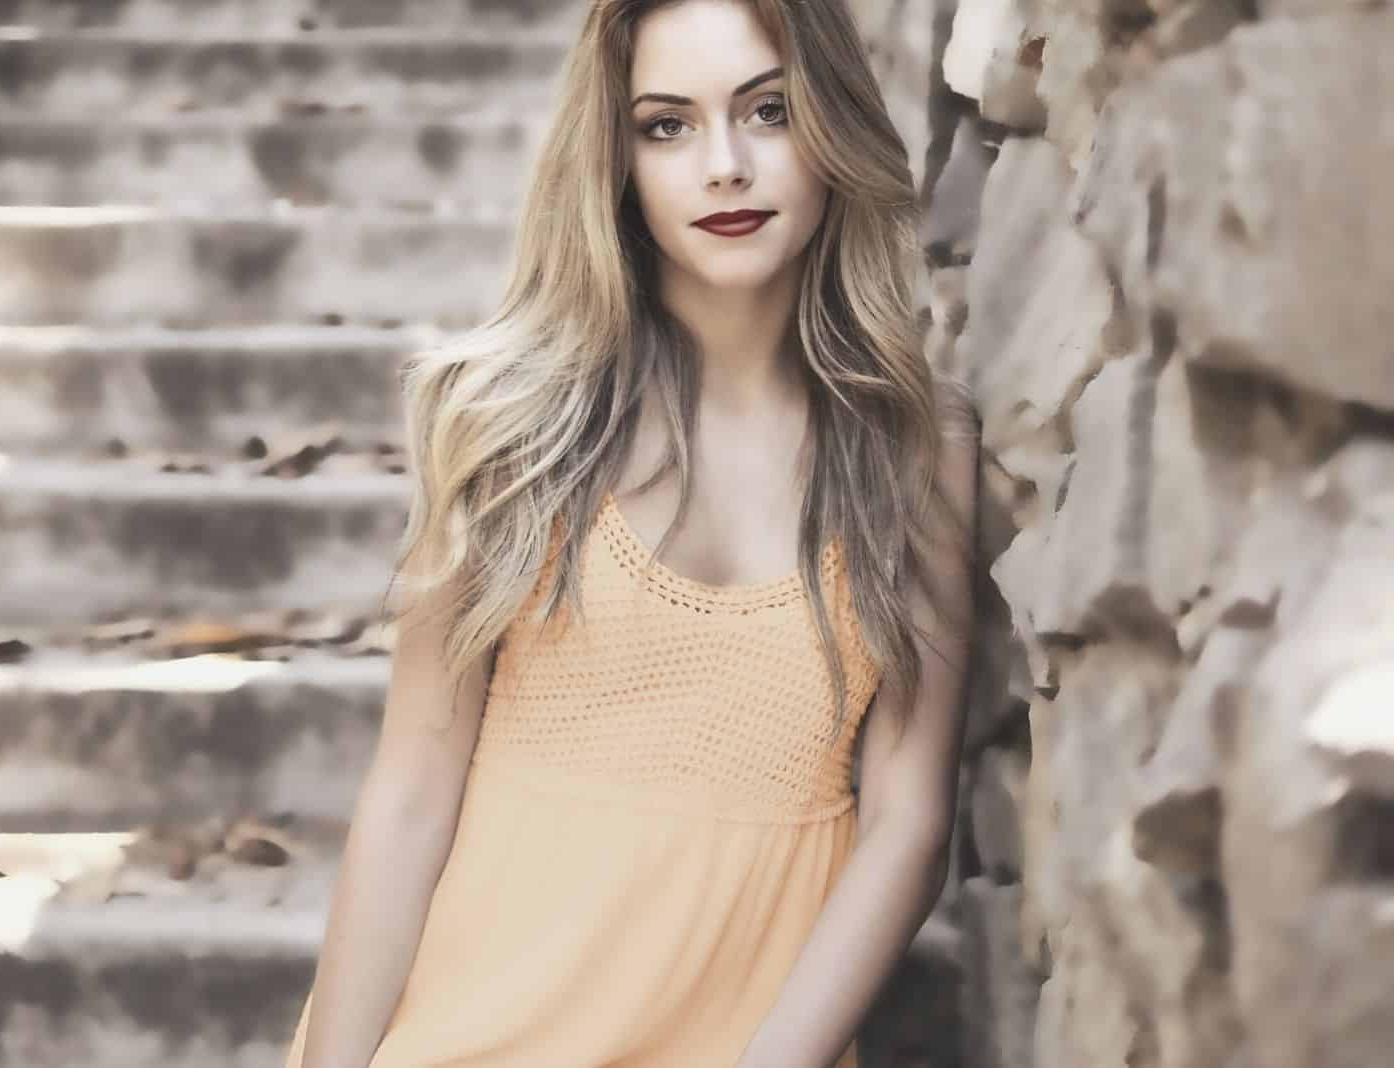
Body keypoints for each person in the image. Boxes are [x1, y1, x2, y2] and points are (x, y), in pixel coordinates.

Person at [287, 1, 980, 1065]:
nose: (722, 167)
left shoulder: (910, 447)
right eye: (666, 125)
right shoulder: (511, 422)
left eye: (767, 111)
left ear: (832, 125)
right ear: (615, 160)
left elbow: (907, 822)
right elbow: (414, 786)